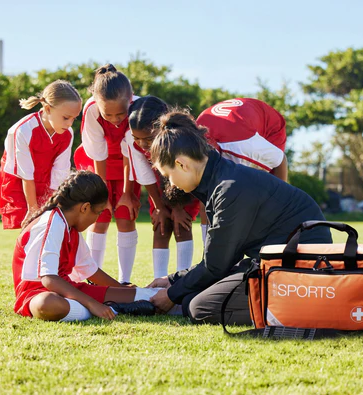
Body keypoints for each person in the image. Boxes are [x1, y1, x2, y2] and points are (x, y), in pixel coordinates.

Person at [147, 110, 332, 325]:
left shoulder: (228, 188)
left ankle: (302, 307)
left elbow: (216, 265)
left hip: (298, 269)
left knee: (199, 307)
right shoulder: (218, 179)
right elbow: (219, 257)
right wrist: (173, 280)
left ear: (181, 164)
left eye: (168, 176)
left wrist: (171, 294)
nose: (171, 184)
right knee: (190, 298)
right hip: (271, 262)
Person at [13, 170, 160, 322]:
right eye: (98, 212)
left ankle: (119, 305)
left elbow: (90, 270)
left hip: (67, 291)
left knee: (143, 295)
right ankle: (111, 308)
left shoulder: (71, 228)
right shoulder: (53, 223)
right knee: (47, 304)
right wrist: (92, 304)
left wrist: (121, 288)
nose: (97, 218)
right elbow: (49, 279)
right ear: (84, 208)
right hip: (36, 294)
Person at [73, 64, 140, 284]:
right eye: (108, 114)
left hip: (128, 166)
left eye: (120, 113)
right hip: (96, 162)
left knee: (124, 215)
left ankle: (124, 281)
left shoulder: (138, 110)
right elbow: (97, 153)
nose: (114, 119)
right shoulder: (91, 110)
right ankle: (95, 277)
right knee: (99, 217)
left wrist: (126, 193)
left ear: (130, 99)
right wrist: (102, 195)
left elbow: (130, 152)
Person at [195, 98, 289, 244]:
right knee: (209, 198)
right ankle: (212, 255)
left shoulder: (240, 147)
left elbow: (280, 160)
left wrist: (281, 205)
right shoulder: (194, 140)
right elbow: (205, 204)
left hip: (268, 127)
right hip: (238, 121)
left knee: (254, 197)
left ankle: (270, 244)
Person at [125, 96, 198, 278]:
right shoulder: (133, 140)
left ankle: (182, 277)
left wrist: (178, 208)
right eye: (137, 138)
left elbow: (179, 173)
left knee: (182, 224)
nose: (142, 144)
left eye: (148, 138)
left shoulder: (178, 137)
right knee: (161, 224)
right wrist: (159, 206)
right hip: (157, 183)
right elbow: (145, 174)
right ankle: (158, 279)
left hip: (185, 182)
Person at [0, 80, 81, 229]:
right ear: (47, 109)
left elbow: (60, 171)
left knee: (49, 224)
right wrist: (33, 208)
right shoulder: (23, 131)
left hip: (46, 178)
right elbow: (26, 173)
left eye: (74, 119)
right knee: (28, 227)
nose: (70, 124)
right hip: (19, 180)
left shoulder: (67, 133)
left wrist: (55, 203)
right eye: (66, 117)